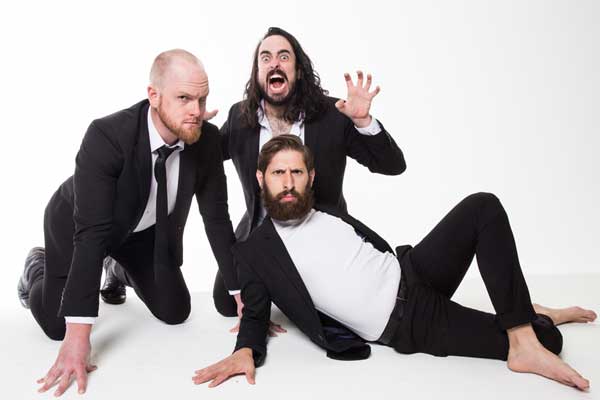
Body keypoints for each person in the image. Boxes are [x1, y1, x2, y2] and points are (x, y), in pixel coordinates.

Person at [193, 135, 596, 391]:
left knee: (482, 207)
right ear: (261, 178)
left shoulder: (326, 210)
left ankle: (521, 333)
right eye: (278, 173)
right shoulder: (255, 252)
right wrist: (245, 350)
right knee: (552, 342)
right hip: (408, 322)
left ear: (310, 177)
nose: (287, 182)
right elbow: (254, 312)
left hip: (413, 269)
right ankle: (530, 319)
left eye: (296, 172)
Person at [17, 49, 239, 396]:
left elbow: (217, 218)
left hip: (140, 232)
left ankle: (117, 270)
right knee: (57, 326)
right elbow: (91, 235)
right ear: (154, 95)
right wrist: (79, 337)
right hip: (78, 227)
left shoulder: (204, 139)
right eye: (184, 98)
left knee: (176, 310)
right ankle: (36, 266)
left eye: (202, 99)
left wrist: (242, 294)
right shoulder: (106, 135)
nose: (196, 110)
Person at [214, 27, 406, 317]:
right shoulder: (240, 118)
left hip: (321, 235)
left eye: (284, 57)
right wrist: (187, 126)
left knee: (335, 307)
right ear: (257, 72)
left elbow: (392, 166)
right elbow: (207, 157)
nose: (274, 63)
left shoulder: (333, 115)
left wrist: (363, 121)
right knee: (226, 302)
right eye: (265, 58)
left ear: (299, 70)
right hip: (263, 234)